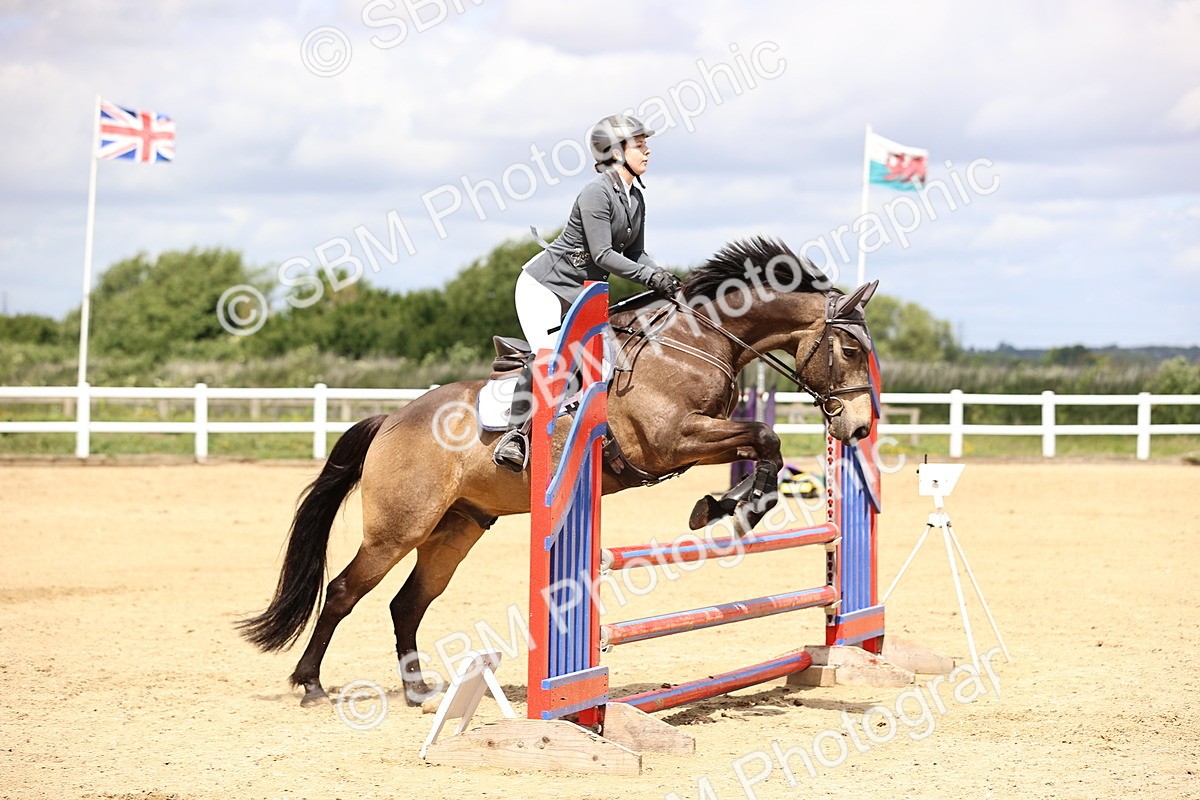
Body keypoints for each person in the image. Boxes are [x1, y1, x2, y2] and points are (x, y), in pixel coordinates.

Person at [492, 114, 683, 472]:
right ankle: (514, 435)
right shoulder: (596, 192)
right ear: (615, 151)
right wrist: (648, 278)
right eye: (639, 144)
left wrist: (663, 276)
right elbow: (603, 255)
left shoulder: (635, 198)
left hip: (583, 294)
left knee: (606, 363)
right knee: (550, 356)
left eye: (645, 143)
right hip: (546, 288)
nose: (647, 150)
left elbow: (634, 253)